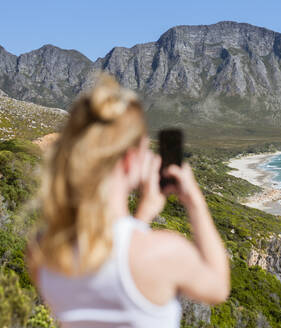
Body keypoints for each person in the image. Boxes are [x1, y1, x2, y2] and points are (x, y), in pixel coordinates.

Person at [25, 73, 230, 327]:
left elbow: (107, 262)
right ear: (130, 159)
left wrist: (142, 217)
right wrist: (194, 200)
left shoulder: (43, 252)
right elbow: (219, 287)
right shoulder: (163, 252)